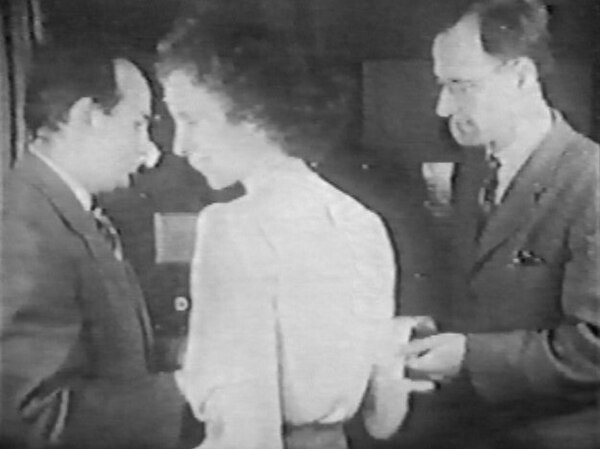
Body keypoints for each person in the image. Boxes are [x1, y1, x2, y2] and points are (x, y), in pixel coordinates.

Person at [156, 13, 431, 449]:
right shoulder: (363, 222)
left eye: (191, 119)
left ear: (252, 113)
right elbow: (383, 416)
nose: (180, 145)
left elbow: (246, 431)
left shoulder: (232, 227)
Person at [400, 1, 600, 448]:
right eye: (441, 85)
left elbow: (595, 346)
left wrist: (470, 357)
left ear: (522, 77)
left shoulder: (591, 181)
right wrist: (433, 329)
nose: (442, 106)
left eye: (460, 86)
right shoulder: (475, 171)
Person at [1, 44, 199, 449]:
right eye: (137, 124)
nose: (150, 153)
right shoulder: (23, 227)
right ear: (88, 116)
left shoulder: (63, 212)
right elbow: (30, 417)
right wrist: (193, 394)